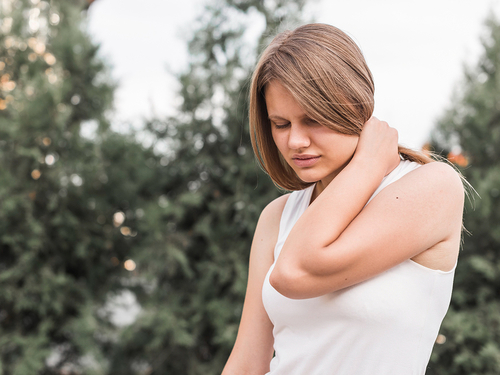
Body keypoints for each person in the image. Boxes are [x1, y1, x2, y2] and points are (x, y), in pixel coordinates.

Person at [222, 23, 465, 375]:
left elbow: (292, 271)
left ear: (355, 105)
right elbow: (247, 363)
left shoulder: (433, 187)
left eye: (312, 119)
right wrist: (365, 164)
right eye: (281, 124)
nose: (295, 142)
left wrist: (368, 165)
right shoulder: (276, 217)